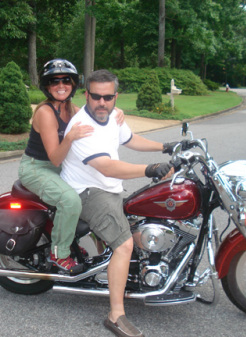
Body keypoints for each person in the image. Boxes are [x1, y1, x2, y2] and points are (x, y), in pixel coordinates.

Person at [60, 69, 175, 337]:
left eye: (108, 97)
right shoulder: (81, 128)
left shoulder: (112, 115)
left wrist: (166, 146)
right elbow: (107, 168)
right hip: (87, 190)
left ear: (115, 96)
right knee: (124, 245)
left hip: (109, 187)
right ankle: (115, 315)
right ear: (87, 95)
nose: (102, 102)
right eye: (96, 96)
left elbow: (130, 139)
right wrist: (151, 169)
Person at [18, 59, 124, 274]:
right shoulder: (46, 113)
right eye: (54, 81)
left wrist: (116, 111)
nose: (61, 85)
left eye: (66, 80)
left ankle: (104, 246)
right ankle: (59, 253)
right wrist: (70, 138)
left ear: (73, 84)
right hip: (38, 168)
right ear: (47, 86)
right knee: (70, 200)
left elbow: (97, 111)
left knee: (95, 190)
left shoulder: (71, 108)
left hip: (58, 167)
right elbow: (55, 158)